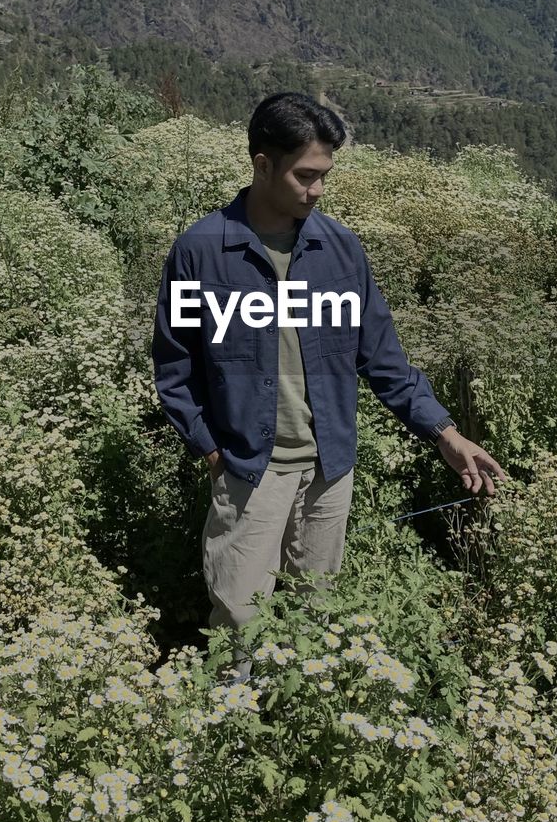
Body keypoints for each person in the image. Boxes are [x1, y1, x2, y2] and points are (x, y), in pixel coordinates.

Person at [152, 93, 505, 675]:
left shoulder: (339, 249)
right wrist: (211, 448)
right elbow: (175, 367)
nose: (317, 191)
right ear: (262, 163)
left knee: (313, 612)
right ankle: (230, 744)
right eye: (305, 175)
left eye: (324, 177)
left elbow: (383, 359)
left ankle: (294, 735)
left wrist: (445, 434)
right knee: (239, 621)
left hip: (329, 469)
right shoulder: (202, 251)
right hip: (248, 468)